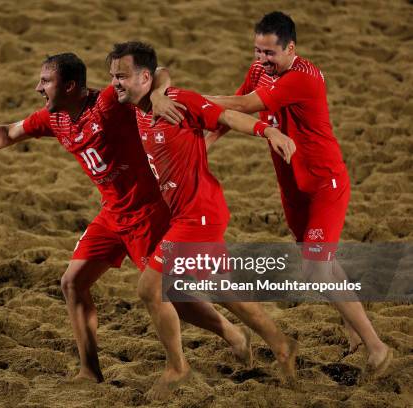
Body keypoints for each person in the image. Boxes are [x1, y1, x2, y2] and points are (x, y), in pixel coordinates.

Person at [0, 53, 255, 395]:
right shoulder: (55, 119)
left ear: (69, 86)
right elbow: (8, 133)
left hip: (150, 211)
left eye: (45, 82)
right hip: (112, 214)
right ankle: (89, 370)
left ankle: (227, 333)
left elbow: (156, 72)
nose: (38, 88)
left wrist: (157, 93)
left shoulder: (110, 102)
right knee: (72, 282)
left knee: (173, 297)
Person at [204, 11, 392, 378]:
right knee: (320, 262)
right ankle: (353, 326)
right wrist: (205, 145)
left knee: (317, 269)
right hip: (292, 186)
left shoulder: (302, 78)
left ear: (291, 48)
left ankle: (378, 348)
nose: (261, 60)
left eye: (269, 53)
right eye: (257, 51)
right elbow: (232, 113)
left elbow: (244, 106)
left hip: (325, 186)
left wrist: (190, 98)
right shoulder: (261, 71)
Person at [107, 41, 299, 398]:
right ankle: (280, 343)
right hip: (185, 213)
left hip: (199, 215)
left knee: (150, 288)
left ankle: (177, 369)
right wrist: (159, 86)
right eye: (112, 76)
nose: (115, 83)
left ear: (142, 77)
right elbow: (160, 68)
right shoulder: (135, 100)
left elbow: (225, 116)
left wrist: (268, 131)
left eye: (122, 76)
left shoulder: (178, 101)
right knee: (224, 292)